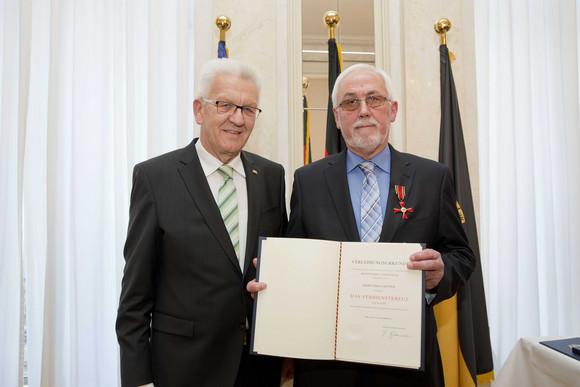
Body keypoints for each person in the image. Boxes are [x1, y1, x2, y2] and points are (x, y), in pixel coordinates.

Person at [248, 63, 475, 387]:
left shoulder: (432, 178)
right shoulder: (308, 180)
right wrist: (274, 283)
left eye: (374, 99)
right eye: (351, 102)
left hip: (408, 363)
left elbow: (462, 254)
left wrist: (441, 272)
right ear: (337, 117)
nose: (364, 111)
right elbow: (295, 259)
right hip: (326, 366)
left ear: (392, 109)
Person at [116, 58, 288, 387]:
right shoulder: (155, 178)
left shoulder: (270, 176)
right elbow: (134, 298)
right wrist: (139, 380)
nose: (237, 119)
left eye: (249, 109)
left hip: (257, 369)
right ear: (199, 110)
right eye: (225, 104)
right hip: (183, 369)